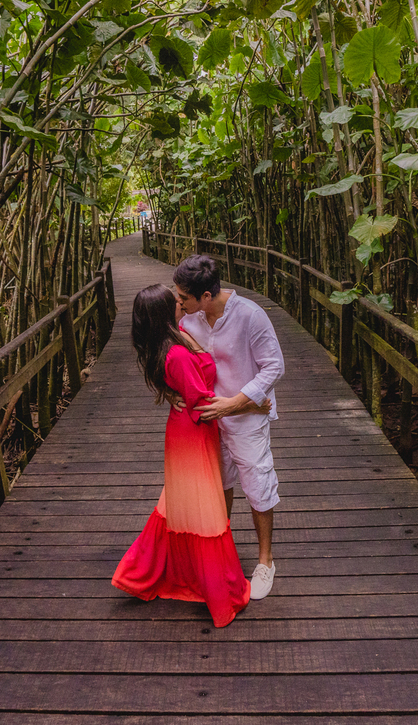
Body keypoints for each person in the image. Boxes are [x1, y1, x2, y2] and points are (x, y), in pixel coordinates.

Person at [112, 284, 266, 627]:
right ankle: (213, 588)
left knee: (183, 505)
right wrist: (254, 404)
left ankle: (160, 569)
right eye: (176, 301)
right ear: (167, 312)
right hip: (192, 432)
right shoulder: (177, 352)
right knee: (202, 509)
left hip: (191, 428)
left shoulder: (178, 334)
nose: (181, 302)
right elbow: (202, 403)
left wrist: (170, 391)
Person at [172, 255, 285, 600]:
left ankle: (266, 561)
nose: (178, 303)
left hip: (246, 414)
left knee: (256, 482)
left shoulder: (250, 316)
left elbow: (274, 367)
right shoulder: (190, 319)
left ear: (206, 296)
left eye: (182, 298)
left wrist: (236, 403)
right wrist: (178, 393)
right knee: (219, 481)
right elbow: (178, 353)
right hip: (208, 417)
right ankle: (221, 549)